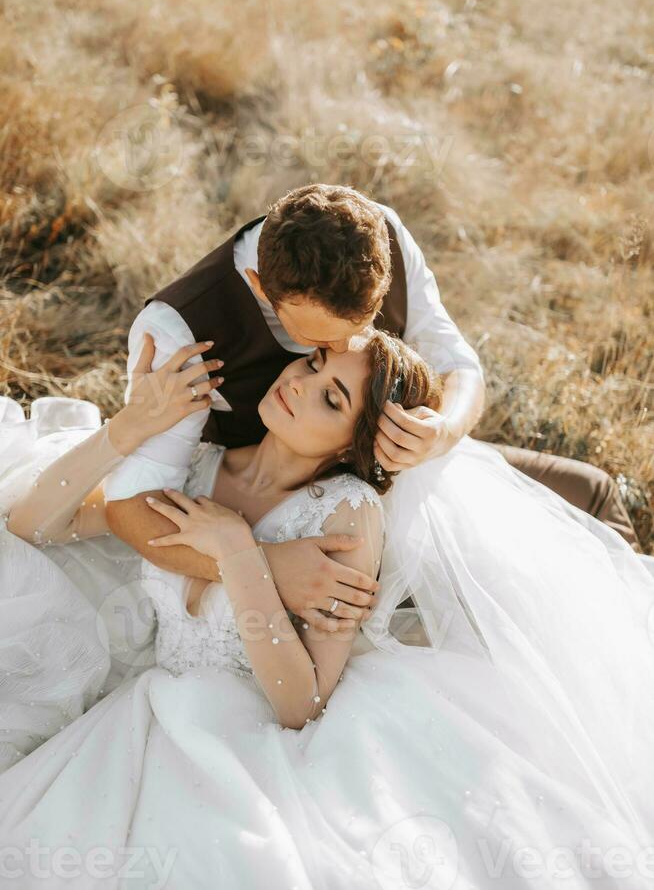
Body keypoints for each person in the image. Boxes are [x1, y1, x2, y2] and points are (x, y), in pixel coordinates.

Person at [0, 326, 653, 889]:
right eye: (313, 364)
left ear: (350, 446)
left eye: (332, 396)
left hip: (251, 745)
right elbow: (35, 524)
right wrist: (129, 429)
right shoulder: (196, 465)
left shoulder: (344, 514)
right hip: (137, 723)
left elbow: (301, 704)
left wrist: (238, 554)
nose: (300, 383)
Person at [102, 183, 641, 634]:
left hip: (416, 484)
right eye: (316, 344)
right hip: (311, 532)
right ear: (259, 287)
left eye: (362, 327)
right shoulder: (179, 330)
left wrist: (443, 431)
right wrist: (263, 567)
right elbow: (129, 508)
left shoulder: (380, 236)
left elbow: (458, 365)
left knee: (590, 497)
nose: (344, 348)